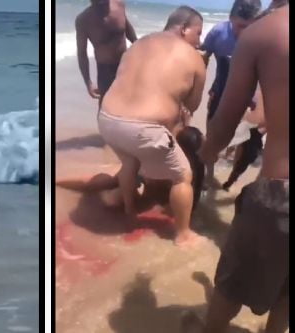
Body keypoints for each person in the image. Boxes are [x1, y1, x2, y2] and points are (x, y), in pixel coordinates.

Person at [183, 4, 289, 333]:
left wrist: (204, 154)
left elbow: (226, 122)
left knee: (233, 280)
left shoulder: (265, 31)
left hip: (281, 191)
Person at [97, 6, 206, 246]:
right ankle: (183, 234)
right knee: (182, 176)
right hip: (143, 129)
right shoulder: (193, 57)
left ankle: (129, 212)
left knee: (129, 162)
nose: (199, 40)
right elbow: (192, 105)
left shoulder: (137, 44)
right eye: (198, 33)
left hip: (107, 119)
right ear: (184, 28)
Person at [200, 0, 261, 187]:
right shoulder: (219, 33)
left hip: (252, 99)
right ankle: (208, 177)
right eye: (240, 26)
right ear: (231, 18)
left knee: (249, 149)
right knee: (213, 138)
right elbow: (202, 58)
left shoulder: (262, 37)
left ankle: (230, 182)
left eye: (249, 27)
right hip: (221, 93)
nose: (244, 33)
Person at [75, 0, 137, 107]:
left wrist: (139, 47)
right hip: (105, 72)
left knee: (130, 104)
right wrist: (88, 82)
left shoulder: (119, 5)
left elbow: (127, 28)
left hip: (126, 64)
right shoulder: (83, 20)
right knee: (106, 107)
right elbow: (82, 53)